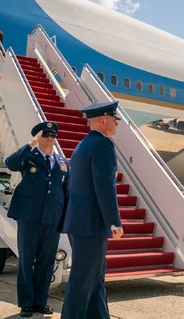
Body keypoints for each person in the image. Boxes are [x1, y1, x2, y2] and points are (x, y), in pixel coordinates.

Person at [61, 102, 124, 319]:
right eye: (114, 120)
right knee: (83, 281)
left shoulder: (82, 145)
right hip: (91, 224)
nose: (116, 124)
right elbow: (104, 187)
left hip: (81, 222)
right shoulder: (102, 145)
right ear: (103, 120)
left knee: (95, 279)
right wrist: (114, 221)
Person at [5, 122, 69, 317]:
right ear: (38, 136)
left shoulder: (62, 161)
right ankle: (26, 303)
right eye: (45, 134)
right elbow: (11, 163)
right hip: (29, 216)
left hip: (52, 217)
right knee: (26, 260)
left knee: (46, 261)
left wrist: (63, 218)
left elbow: (66, 191)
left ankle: (41, 301)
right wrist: (30, 144)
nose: (50, 137)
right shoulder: (29, 156)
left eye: (52, 134)